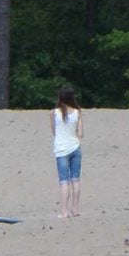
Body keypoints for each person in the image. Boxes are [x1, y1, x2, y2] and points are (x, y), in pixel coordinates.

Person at [51, 86, 83, 218]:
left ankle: (64, 211)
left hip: (61, 149)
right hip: (75, 147)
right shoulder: (77, 112)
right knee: (75, 179)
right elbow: (80, 133)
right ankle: (75, 209)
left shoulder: (53, 113)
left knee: (64, 181)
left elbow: (54, 132)